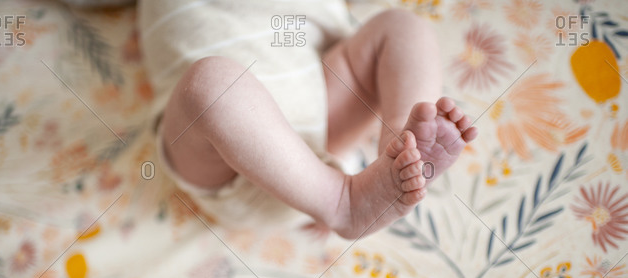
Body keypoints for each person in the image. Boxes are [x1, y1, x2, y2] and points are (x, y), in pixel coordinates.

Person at [140, 0, 478, 239]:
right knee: (210, 85)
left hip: (322, 104)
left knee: (403, 27)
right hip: (226, 159)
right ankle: (342, 203)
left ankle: (399, 155)